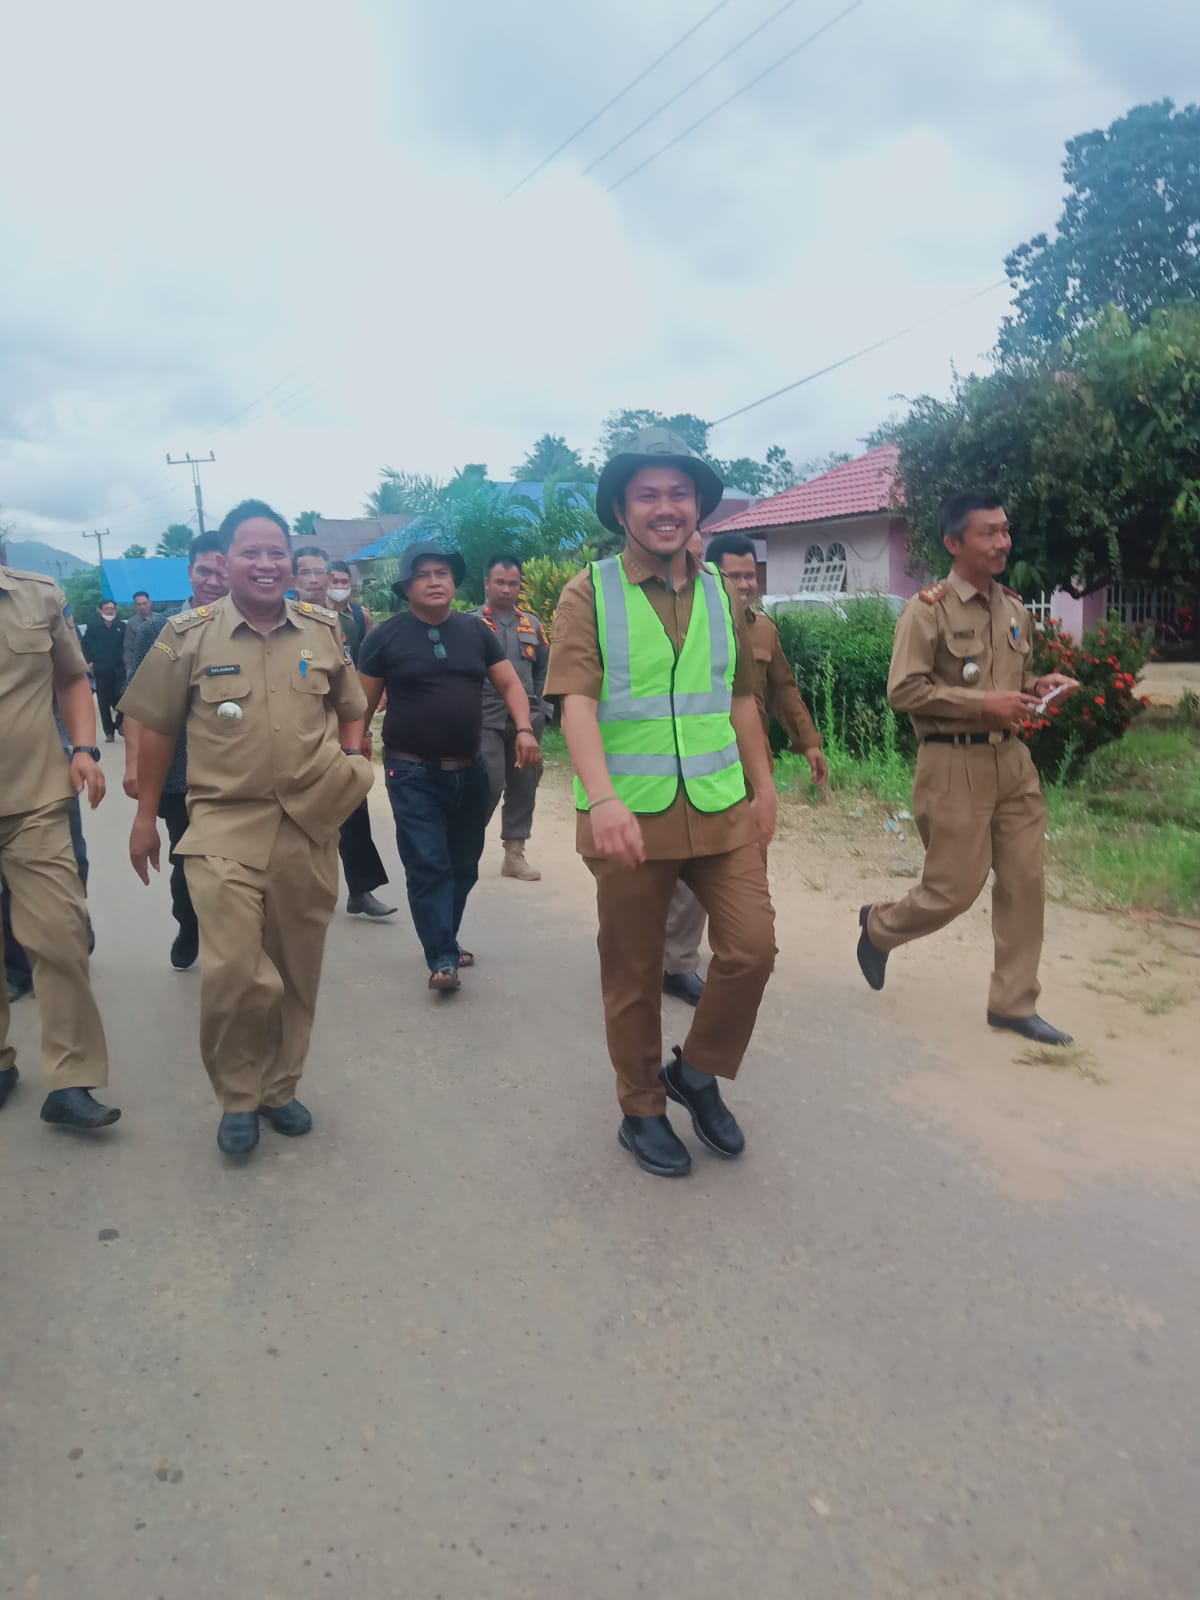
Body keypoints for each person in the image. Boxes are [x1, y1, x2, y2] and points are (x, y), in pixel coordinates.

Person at [546, 427, 777, 1178]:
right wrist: (603, 798)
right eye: (648, 494)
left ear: (699, 507)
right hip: (630, 815)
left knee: (751, 949)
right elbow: (575, 704)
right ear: (623, 509)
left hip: (718, 805)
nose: (665, 507)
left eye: (680, 494)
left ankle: (698, 1072)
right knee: (634, 972)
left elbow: (740, 697)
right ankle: (641, 1107)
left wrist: (764, 784)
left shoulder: (721, 593)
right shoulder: (589, 592)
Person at [121, 499, 373, 1156]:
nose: (265, 564)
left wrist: (352, 760)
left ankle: (279, 1088)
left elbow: (353, 706)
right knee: (235, 969)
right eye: (250, 552)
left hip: (309, 825)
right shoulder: (187, 634)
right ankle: (237, 1093)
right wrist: (145, 817)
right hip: (224, 825)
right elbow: (154, 728)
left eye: (276, 552)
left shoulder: (322, 629)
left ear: (291, 561)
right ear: (225, 561)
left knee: (296, 970)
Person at [856, 489, 1079, 1044]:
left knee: (1025, 882)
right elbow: (904, 690)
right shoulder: (926, 609)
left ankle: (1012, 1002)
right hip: (953, 765)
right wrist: (985, 705)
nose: (1003, 541)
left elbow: (1005, 683)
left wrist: (1035, 686)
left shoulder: (1014, 609)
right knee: (952, 891)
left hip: (1013, 763)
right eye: (989, 532)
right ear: (954, 542)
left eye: (1005, 530)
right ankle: (879, 927)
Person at [358, 541, 541, 992]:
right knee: (428, 863)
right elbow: (360, 704)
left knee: (464, 864)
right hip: (410, 770)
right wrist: (354, 744)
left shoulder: (475, 632)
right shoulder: (385, 636)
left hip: (470, 768)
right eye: (424, 575)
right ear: (407, 586)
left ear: (454, 582)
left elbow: (510, 684)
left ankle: (447, 938)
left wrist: (524, 728)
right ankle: (441, 957)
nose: (435, 581)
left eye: (442, 573)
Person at [663, 529, 830, 1006]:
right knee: (688, 866)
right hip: (697, 763)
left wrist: (809, 742)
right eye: (732, 574)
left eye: (749, 574)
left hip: (749, 765)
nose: (742, 583)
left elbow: (784, 689)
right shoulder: (691, 622)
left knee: (746, 865)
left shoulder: (763, 629)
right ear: (712, 572)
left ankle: (731, 956)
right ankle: (670, 960)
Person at [0, 564, 119, 1128]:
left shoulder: (36, 594)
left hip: (37, 798)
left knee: (62, 936)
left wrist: (85, 749)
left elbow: (72, 677)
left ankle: (70, 1082)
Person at [122, 531, 231, 970]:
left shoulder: (255, 627)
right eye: (205, 571)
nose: (214, 580)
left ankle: (233, 940)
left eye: (222, 572)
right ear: (189, 573)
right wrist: (134, 765)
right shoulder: (158, 631)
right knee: (188, 863)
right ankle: (189, 924)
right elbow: (140, 707)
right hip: (179, 773)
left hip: (240, 773)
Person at [292, 549, 395, 919]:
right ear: (294, 580)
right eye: (305, 572)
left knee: (353, 804)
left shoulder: (351, 621)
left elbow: (360, 676)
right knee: (299, 814)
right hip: (297, 732)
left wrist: (361, 732)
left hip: (341, 728)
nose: (315, 580)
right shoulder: (284, 623)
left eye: (321, 572)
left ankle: (361, 889)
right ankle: (300, 894)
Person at [472, 554, 551, 882]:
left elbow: (546, 669)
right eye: (499, 582)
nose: (506, 589)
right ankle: (464, 847)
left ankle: (514, 855)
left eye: (512, 583)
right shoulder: (469, 623)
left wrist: (544, 711)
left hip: (527, 720)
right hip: (483, 717)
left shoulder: (532, 625)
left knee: (524, 785)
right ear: (487, 584)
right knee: (487, 783)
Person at [81, 597, 126, 741]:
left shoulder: (121, 626)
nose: (109, 611)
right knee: (104, 702)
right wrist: (89, 662)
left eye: (112, 608)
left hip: (119, 669)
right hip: (101, 669)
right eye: (106, 609)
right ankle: (109, 732)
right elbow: (85, 645)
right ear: (100, 611)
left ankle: (119, 723)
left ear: (116, 610)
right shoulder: (93, 627)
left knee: (122, 699)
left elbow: (127, 646)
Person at [122, 589, 155, 684]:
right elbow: (128, 647)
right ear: (135, 606)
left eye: (144, 603)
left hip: (159, 663)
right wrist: (128, 668)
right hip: (140, 665)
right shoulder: (131, 623)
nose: (142, 607)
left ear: (150, 603)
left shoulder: (160, 619)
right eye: (139, 604)